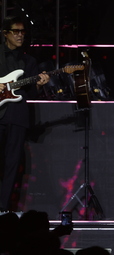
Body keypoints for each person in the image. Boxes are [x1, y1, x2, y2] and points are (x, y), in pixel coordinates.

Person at [0, 16, 50, 211]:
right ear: (5, 34)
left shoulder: (29, 61)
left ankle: (3, 208)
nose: (20, 35)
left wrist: (38, 84)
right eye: (16, 31)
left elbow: (30, 92)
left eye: (23, 32)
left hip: (18, 116)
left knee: (13, 164)